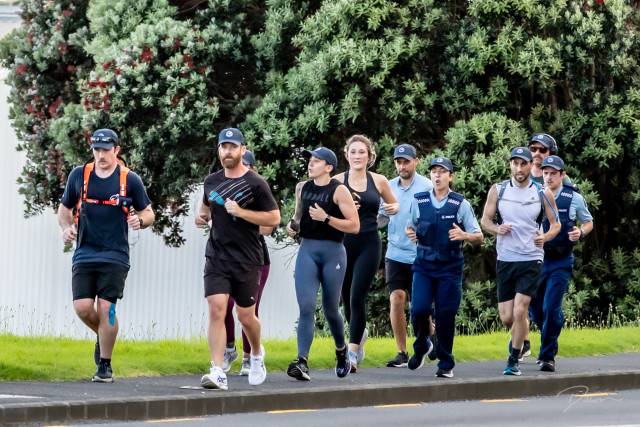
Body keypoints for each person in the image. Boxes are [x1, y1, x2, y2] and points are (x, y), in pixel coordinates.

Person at [58, 128, 154, 382]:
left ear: (116, 150)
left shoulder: (129, 179)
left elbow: (149, 213)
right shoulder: (79, 175)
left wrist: (140, 221)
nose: (100, 155)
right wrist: (66, 228)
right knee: (82, 307)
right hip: (85, 252)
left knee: (106, 308)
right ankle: (104, 336)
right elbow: (64, 209)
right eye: (96, 150)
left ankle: (105, 366)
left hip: (115, 254)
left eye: (105, 150)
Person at [195, 128, 280, 390]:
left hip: (247, 259)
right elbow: (205, 209)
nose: (228, 151)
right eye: (224, 147)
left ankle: (256, 353)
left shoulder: (256, 183)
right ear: (219, 151)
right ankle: (217, 371)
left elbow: (274, 218)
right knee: (217, 309)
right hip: (217, 256)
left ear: (242, 150)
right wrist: (201, 217)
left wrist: (242, 213)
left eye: (233, 147)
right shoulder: (211, 181)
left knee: (246, 317)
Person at [481, 147, 560, 376]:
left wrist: (545, 237)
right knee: (508, 317)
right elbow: (485, 220)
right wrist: (497, 228)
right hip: (506, 258)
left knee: (520, 309)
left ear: (530, 165)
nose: (519, 168)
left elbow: (556, 223)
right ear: (510, 165)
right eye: (515, 163)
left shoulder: (543, 192)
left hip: (531, 258)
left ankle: (513, 360)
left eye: (523, 163)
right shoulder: (498, 190)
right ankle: (521, 335)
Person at [285, 147, 360, 381]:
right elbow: (298, 216)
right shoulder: (302, 187)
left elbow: (354, 225)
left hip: (333, 253)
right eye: (310, 160)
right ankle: (302, 362)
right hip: (307, 250)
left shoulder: (339, 191)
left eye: (316, 161)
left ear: (329, 167)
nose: (311, 164)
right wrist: (292, 225)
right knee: (306, 306)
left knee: (330, 309)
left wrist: (326, 218)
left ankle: (341, 350)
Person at [405, 157, 483, 378]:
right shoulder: (419, 201)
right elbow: (410, 227)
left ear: (451, 176)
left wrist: (464, 235)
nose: (437, 175)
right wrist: (410, 233)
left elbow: (479, 237)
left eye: (442, 171)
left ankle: (446, 363)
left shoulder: (460, 204)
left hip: (450, 267)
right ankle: (422, 345)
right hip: (424, 265)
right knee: (419, 309)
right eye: (434, 171)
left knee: (445, 314)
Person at [334, 134, 399, 373]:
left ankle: (351, 353)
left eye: (362, 152)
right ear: (346, 155)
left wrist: (392, 208)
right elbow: (328, 208)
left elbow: (394, 205)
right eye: (353, 152)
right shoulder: (337, 181)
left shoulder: (379, 180)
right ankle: (359, 335)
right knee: (344, 297)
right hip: (343, 243)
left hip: (369, 243)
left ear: (369, 155)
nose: (357, 156)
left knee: (356, 296)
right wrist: (344, 208)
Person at [529, 155, 593, 372]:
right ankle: (555, 323)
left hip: (561, 261)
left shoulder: (573, 197)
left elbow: (588, 221)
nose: (548, 177)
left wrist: (580, 232)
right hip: (537, 259)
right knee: (536, 310)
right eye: (545, 173)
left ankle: (547, 357)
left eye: (553, 174)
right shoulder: (534, 194)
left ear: (562, 175)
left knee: (551, 306)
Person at [377, 144, 434, 368]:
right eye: (398, 162)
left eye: (406, 162)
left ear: (416, 162)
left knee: (418, 306)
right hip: (395, 253)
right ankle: (402, 352)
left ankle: (431, 335)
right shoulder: (388, 187)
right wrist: (366, 224)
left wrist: (421, 232)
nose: (402, 166)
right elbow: (381, 218)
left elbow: (436, 218)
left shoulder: (427, 186)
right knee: (396, 299)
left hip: (421, 255)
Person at [222, 150, 273, 376]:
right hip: (227, 257)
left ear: (252, 169)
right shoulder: (224, 190)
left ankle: (248, 356)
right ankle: (229, 348)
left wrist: (243, 217)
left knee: (248, 310)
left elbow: (268, 228)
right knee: (223, 305)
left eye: (246, 166)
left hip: (256, 259)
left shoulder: (259, 191)